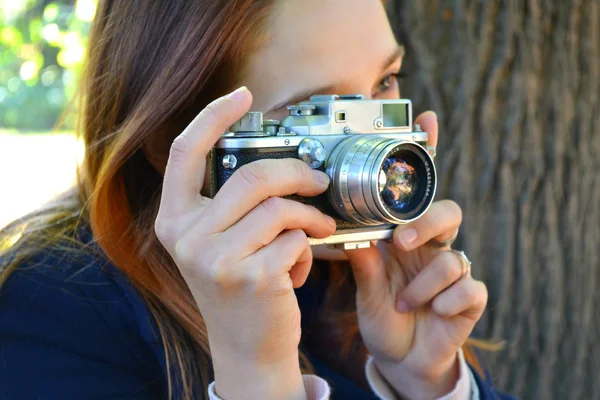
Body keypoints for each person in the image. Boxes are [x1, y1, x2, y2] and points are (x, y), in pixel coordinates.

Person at [0, 1, 517, 399]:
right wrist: (257, 375)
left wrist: (428, 382)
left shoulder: (360, 279)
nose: (376, 146)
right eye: (315, 113)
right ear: (175, 145)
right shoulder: (48, 313)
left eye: (384, 81)